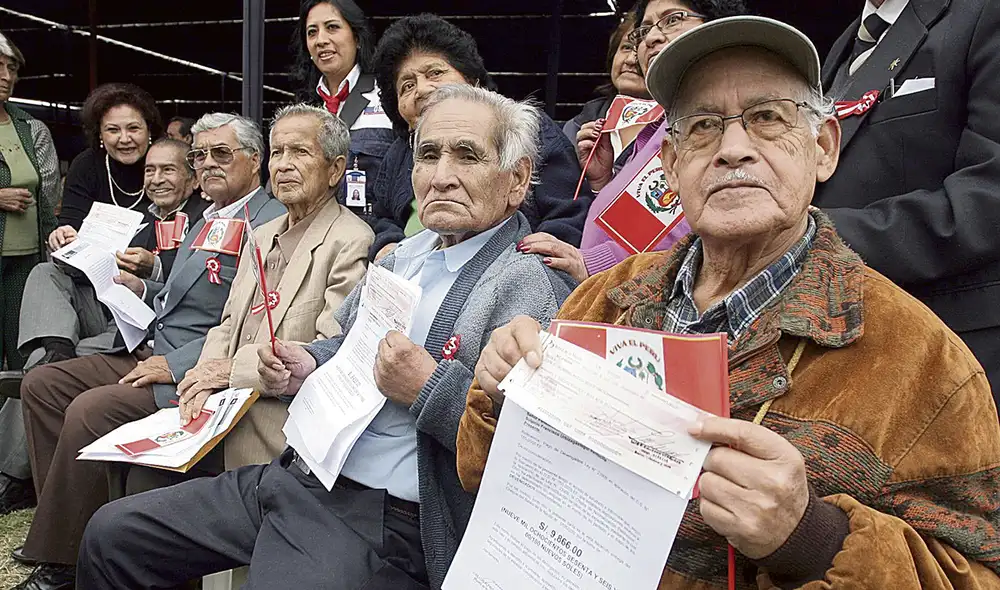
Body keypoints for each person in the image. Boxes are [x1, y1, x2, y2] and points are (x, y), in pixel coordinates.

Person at [460, 16, 1000, 588]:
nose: (733, 150)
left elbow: (978, 572)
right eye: (703, 126)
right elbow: (489, 479)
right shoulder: (603, 299)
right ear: (669, 164)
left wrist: (811, 540)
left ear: (822, 148)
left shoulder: (923, 360)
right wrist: (503, 399)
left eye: (768, 118)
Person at [76, 85, 576, 590]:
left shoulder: (528, 283)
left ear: (517, 180)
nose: (441, 176)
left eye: (466, 156)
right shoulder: (405, 254)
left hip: (386, 514)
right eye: (428, 155)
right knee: (112, 534)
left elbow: (528, 456)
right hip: (299, 473)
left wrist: (427, 387)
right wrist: (307, 362)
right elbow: (346, 344)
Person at [13, 113, 285, 590]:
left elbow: (251, 322)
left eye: (221, 154)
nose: (208, 165)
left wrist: (176, 364)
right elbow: (182, 294)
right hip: (147, 342)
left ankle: (62, 561)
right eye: (200, 156)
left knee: (90, 410)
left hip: (190, 367)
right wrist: (143, 288)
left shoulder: (267, 221)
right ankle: (72, 516)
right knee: (42, 384)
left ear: (256, 160)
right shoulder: (206, 215)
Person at [154, 103, 373, 477]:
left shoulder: (351, 241)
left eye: (300, 152)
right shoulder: (262, 234)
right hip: (218, 415)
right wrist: (202, 377)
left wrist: (227, 372)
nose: (283, 165)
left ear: (335, 169)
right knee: (140, 472)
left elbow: (328, 348)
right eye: (277, 153)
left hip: (274, 429)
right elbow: (226, 324)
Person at [813, 0, 1000, 408]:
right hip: (855, 352)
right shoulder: (841, 46)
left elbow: (990, 195)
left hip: (960, 352)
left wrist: (816, 236)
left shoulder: (983, 14)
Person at [516, 0, 745, 283]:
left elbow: (695, 233)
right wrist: (604, 183)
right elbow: (650, 221)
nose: (652, 37)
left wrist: (592, 263)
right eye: (645, 29)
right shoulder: (661, 122)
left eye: (673, 19)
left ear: (717, 28)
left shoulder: (723, 118)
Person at [367, 14, 592, 263]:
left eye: (435, 73)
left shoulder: (524, 129)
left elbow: (568, 215)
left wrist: (530, 266)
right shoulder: (398, 153)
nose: (421, 90)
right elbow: (382, 215)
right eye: (407, 86)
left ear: (472, 81)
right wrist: (387, 244)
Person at [0, 31, 59, 516]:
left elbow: (48, 194)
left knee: (22, 360)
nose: (5, 76)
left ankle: (13, 473)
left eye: (11, 68)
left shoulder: (29, 126)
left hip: (26, 262)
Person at [290, 0, 394, 217]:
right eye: (312, 32)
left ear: (357, 37)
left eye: (332, 27)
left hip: (374, 236)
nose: (321, 40)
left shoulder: (387, 96)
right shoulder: (300, 110)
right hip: (310, 235)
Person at [47, 83, 161, 253]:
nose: (124, 139)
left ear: (149, 130)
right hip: (95, 264)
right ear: (100, 134)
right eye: (113, 130)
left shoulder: (166, 161)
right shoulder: (85, 166)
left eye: (133, 128)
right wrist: (63, 235)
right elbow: (71, 225)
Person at [561, 13, 650, 143]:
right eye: (627, 47)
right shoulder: (577, 126)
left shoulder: (678, 127)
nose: (631, 60)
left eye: (645, 51)